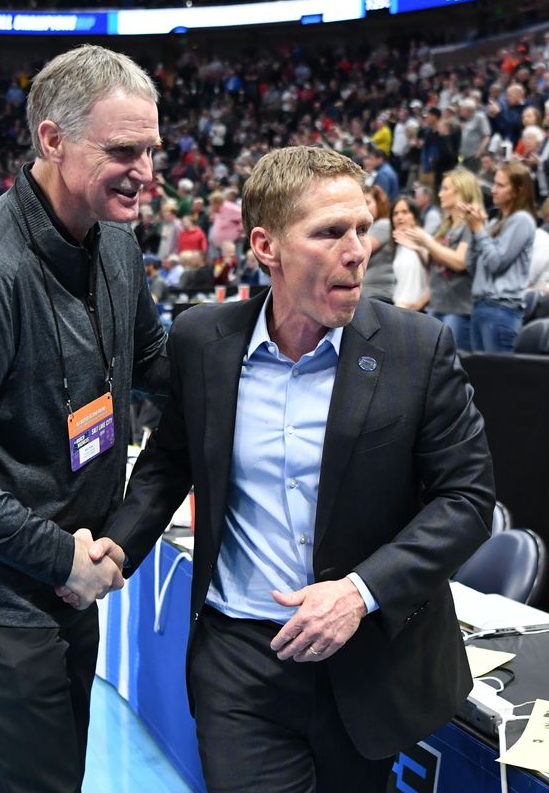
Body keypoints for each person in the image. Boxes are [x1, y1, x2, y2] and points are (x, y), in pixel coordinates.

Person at [97, 145, 495, 793]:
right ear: (265, 246)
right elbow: (171, 463)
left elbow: (468, 498)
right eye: (330, 232)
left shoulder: (416, 350)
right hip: (239, 662)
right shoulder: (204, 341)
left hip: (367, 663)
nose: (357, 250)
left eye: (362, 229)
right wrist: (118, 544)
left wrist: (360, 591)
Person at [0, 45, 168, 793]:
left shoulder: (116, 241)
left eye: (151, 149)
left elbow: (157, 371)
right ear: (51, 140)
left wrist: (114, 544)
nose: (145, 170)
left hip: (71, 578)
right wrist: (60, 558)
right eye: (122, 150)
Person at [397, 168, 482, 351]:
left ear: (461, 191)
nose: (440, 193)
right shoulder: (446, 226)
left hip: (458, 309)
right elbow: (436, 269)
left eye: (445, 189)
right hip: (437, 305)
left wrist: (427, 243)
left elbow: (460, 262)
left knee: (454, 366)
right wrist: (420, 250)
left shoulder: (470, 224)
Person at [464, 161, 537, 352]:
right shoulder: (496, 222)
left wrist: (479, 229)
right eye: (494, 184)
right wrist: (474, 231)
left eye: (501, 185)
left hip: (501, 310)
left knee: (496, 378)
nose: (494, 190)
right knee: (480, 378)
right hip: (481, 307)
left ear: (518, 190)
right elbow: (471, 266)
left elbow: (496, 263)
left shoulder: (522, 220)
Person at [389, 197, 431, 311]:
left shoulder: (425, 240)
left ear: (414, 216)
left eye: (405, 212)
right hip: (400, 307)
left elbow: (435, 275)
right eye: (395, 213)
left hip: (418, 309)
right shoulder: (399, 244)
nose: (399, 217)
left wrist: (420, 304)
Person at [362, 184, 395, 303]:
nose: (363, 207)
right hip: (367, 294)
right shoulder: (365, 229)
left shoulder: (384, 225)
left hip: (379, 295)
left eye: (367, 202)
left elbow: (362, 249)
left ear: (379, 204)